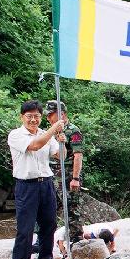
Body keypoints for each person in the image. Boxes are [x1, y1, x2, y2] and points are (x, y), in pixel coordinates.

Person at [8, 100, 66, 259]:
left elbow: (61, 156)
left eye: (37, 116)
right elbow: (35, 145)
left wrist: (62, 142)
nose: (33, 120)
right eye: (29, 116)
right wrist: (53, 129)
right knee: (25, 226)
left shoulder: (44, 134)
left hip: (46, 183)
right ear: (22, 117)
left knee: (49, 223)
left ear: (41, 118)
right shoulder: (16, 135)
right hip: (26, 185)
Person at [45, 101, 85, 245]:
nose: (48, 118)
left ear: (61, 114)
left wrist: (75, 178)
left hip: (68, 174)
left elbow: (78, 155)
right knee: (48, 207)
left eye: (51, 115)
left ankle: (76, 240)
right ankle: (45, 239)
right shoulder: (50, 131)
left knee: (71, 207)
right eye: (47, 115)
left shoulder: (73, 131)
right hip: (52, 174)